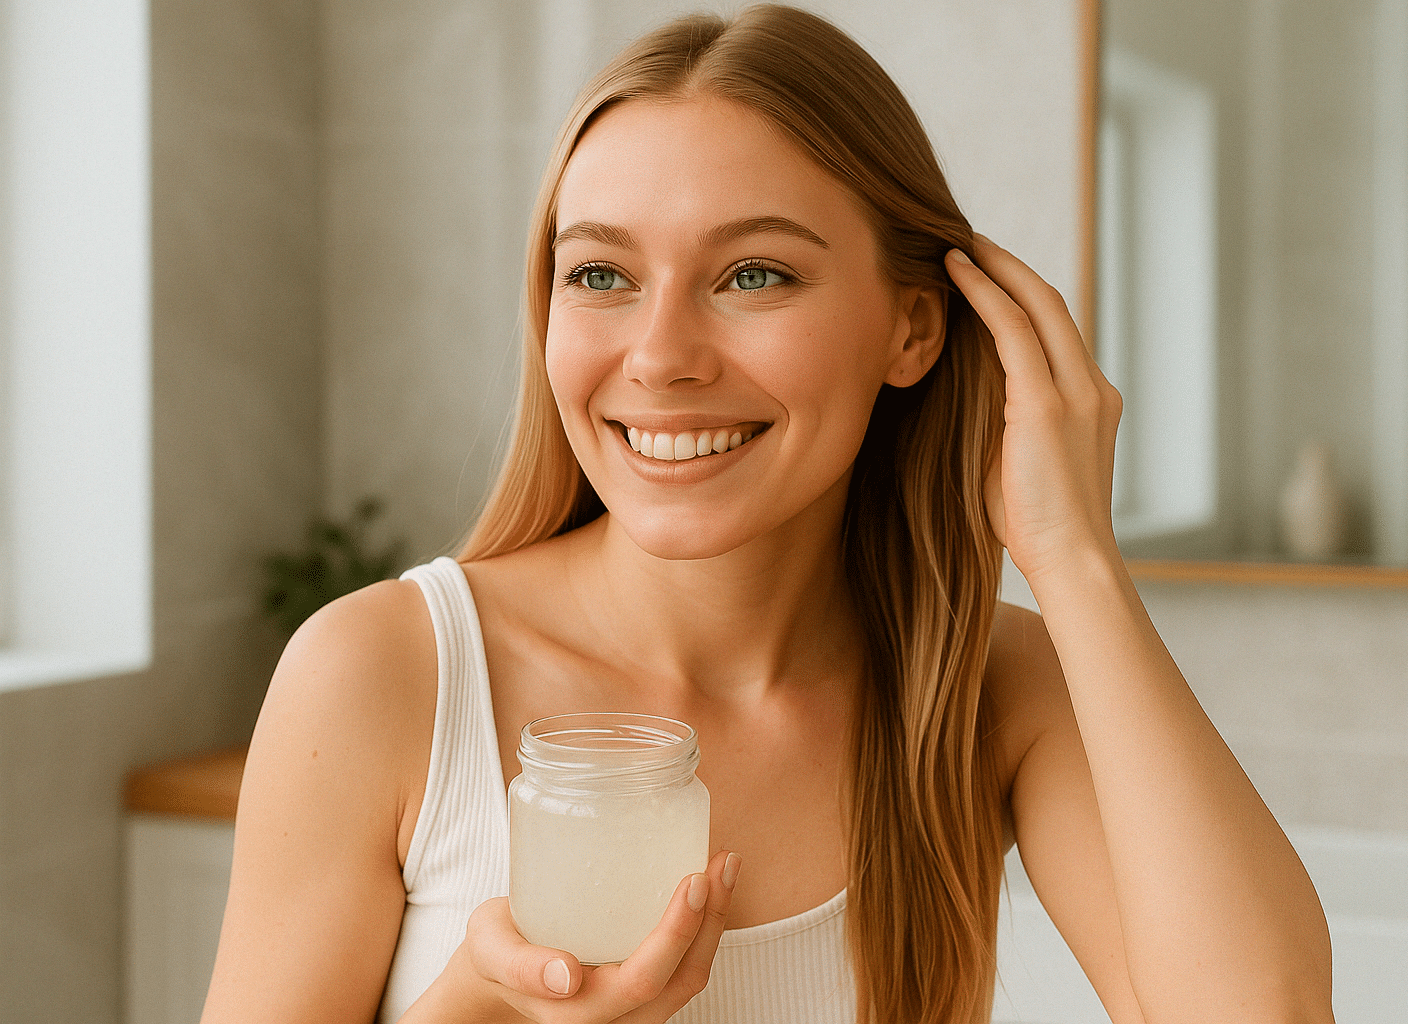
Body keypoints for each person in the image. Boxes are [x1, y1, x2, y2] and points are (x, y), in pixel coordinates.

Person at [200, 5, 1335, 1024]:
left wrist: (1075, 553)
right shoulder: (384, 673)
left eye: (754, 274)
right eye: (601, 275)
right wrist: (474, 1013)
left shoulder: (989, 689)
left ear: (913, 331)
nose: (659, 357)